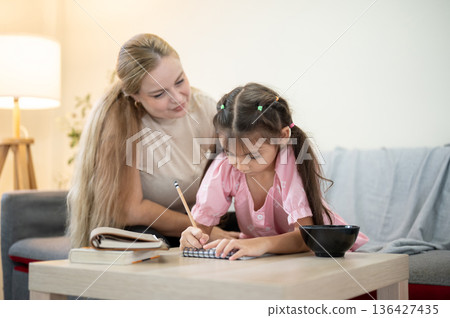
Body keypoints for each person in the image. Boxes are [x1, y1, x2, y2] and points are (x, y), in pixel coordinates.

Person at [68, 33, 239, 248]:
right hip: (144, 231)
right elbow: (131, 210)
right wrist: (208, 231)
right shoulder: (119, 123)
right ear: (135, 95)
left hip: (197, 227)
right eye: (159, 94)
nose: (178, 98)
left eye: (180, 81)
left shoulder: (204, 108)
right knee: (150, 242)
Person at [180, 83, 368, 260]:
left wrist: (259, 244)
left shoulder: (291, 164)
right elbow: (202, 228)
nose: (240, 165)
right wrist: (193, 236)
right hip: (269, 259)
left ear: (283, 136)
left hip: (322, 253)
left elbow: (306, 237)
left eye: (252, 156)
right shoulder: (225, 166)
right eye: (229, 152)